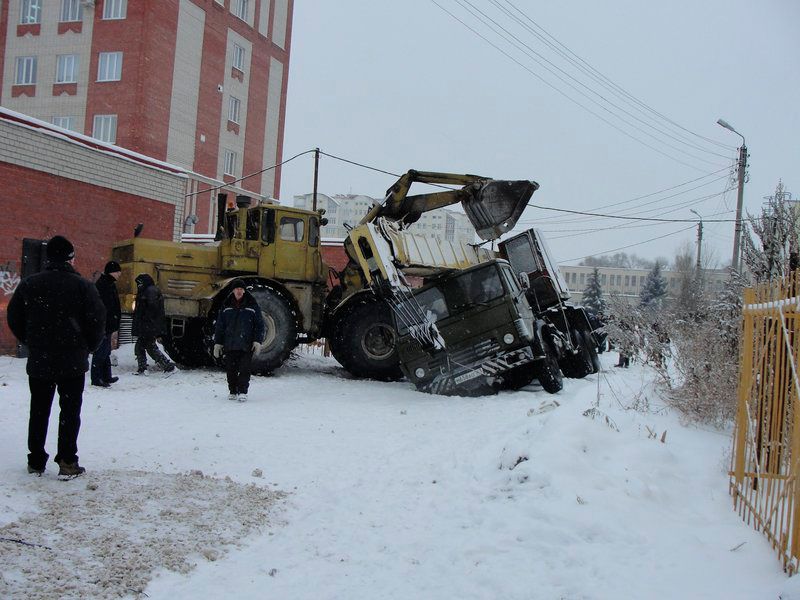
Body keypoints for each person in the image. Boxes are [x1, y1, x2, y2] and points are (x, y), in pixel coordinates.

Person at [6, 235, 106, 477]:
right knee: (70, 412)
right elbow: (97, 320)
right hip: (72, 361)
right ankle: (67, 460)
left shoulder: (31, 284)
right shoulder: (83, 286)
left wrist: (32, 342)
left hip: (41, 359)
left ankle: (36, 460)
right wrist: (87, 346)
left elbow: (14, 317)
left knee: (39, 410)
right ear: (71, 259)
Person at [213, 279, 265, 402]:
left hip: (246, 345)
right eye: (237, 289)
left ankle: (242, 392)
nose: (239, 291)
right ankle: (232, 391)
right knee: (231, 370)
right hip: (230, 344)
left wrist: (257, 341)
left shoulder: (252, 305)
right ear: (233, 290)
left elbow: (259, 325)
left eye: (241, 289)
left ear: (244, 291)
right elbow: (220, 326)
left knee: (244, 369)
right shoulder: (226, 306)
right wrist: (218, 343)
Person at [132, 273, 175, 374]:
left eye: (139, 283)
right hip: (148, 325)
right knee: (146, 346)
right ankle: (148, 367)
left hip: (148, 325)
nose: (138, 285)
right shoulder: (149, 290)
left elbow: (152, 309)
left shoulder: (150, 291)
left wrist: (146, 321)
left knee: (144, 346)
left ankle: (165, 366)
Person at [91, 261, 122, 387]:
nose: (120, 274)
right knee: (101, 351)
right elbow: (104, 307)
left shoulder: (109, 283)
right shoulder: (104, 285)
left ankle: (106, 376)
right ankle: (96, 378)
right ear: (112, 272)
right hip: (104, 324)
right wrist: (105, 322)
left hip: (108, 323)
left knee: (106, 351)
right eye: (118, 271)